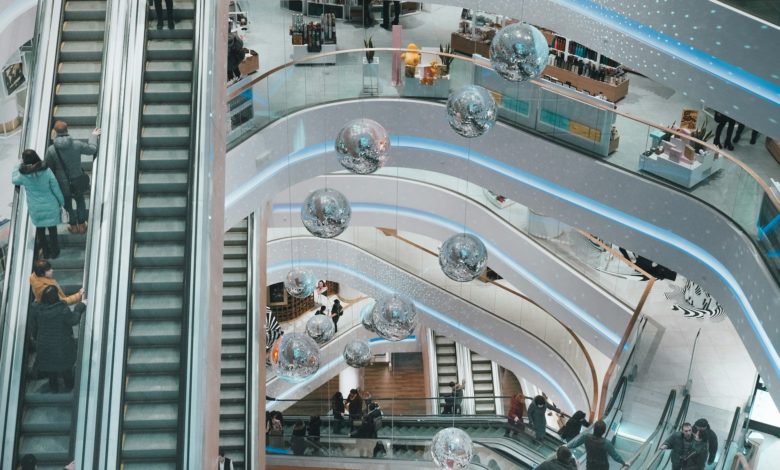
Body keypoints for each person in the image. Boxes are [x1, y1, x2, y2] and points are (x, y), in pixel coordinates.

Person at [44, 121, 100, 235]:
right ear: (67, 130)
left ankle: (73, 226)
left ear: (55, 132)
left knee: (67, 204)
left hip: (61, 184)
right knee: (80, 201)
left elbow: (48, 168)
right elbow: (92, 149)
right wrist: (93, 136)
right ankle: (82, 225)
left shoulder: (51, 150)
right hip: (77, 180)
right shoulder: (77, 144)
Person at [29, 285, 86, 392]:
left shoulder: (38, 310)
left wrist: (38, 339)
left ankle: (54, 389)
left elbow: (34, 328)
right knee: (66, 370)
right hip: (62, 348)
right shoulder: (62, 310)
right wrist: (80, 306)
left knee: (51, 372)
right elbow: (73, 320)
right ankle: (69, 388)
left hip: (45, 348)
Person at [12, 149, 65, 259]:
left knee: (40, 231)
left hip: (35, 207)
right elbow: (55, 187)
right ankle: (55, 252)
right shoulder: (46, 171)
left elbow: (14, 180)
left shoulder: (23, 175)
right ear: (36, 156)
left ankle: (45, 252)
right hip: (50, 205)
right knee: (52, 230)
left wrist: (17, 165)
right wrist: (61, 201)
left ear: (24, 160)